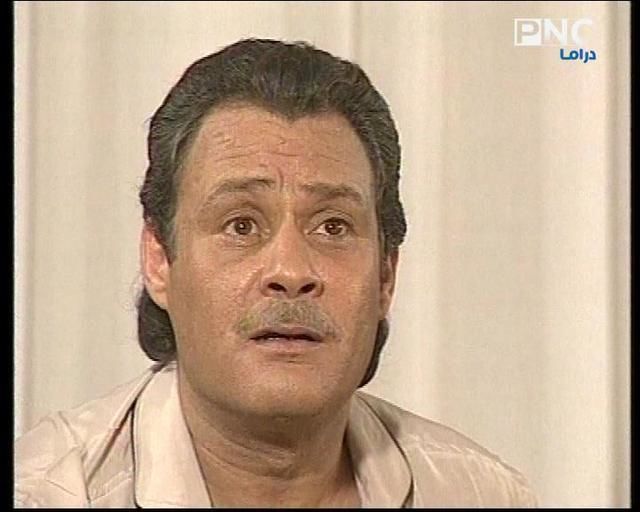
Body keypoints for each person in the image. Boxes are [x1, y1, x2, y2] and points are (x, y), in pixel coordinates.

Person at [15, 38, 538, 508]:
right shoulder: (48, 494)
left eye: (333, 227)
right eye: (241, 225)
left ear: (386, 275)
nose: (290, 271)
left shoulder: (480, 495)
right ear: (159, 259)